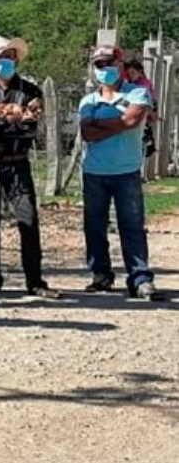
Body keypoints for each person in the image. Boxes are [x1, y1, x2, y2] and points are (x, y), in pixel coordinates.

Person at [0, 36, 60, 299]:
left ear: (15, 58)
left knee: (28, 220)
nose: (0, 63)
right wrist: (9, 122)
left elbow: (28, 129)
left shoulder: (31, 91)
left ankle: (35, 280)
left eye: (5, 57)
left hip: (18, 164)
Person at [80, 46, 162, 300]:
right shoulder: (88, 101)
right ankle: (101, 276)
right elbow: (87, 133)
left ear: (120, 64)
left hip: (127, 170)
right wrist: (120, 123)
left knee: (132, 225)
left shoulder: (138, 91)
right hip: (94, 171)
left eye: (108, 63)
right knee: (94, 226)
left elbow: (134, 120)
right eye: (99, 65)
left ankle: (140, 278)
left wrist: (102, 124)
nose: (104, 70)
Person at [124, 59, 160, 161]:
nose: (130, 75)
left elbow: (145, 103)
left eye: (133, 73)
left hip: (147, 107)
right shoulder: (132, 83)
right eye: (129, 73)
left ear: (140, 72)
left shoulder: (142, 85)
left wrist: (151, 113)